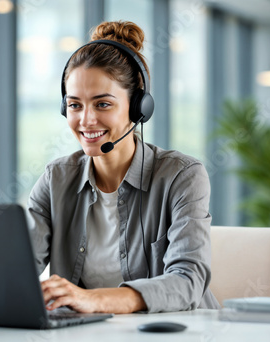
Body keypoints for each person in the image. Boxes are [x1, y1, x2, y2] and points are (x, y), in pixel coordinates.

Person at [27, 20, 220, 314]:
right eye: (75, 105)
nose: (86, 120)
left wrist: (91, 299)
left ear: (138, 108)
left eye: (102, 104)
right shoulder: (56, 179)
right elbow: (17, 268)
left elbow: (187, 281)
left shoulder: (182, 176)